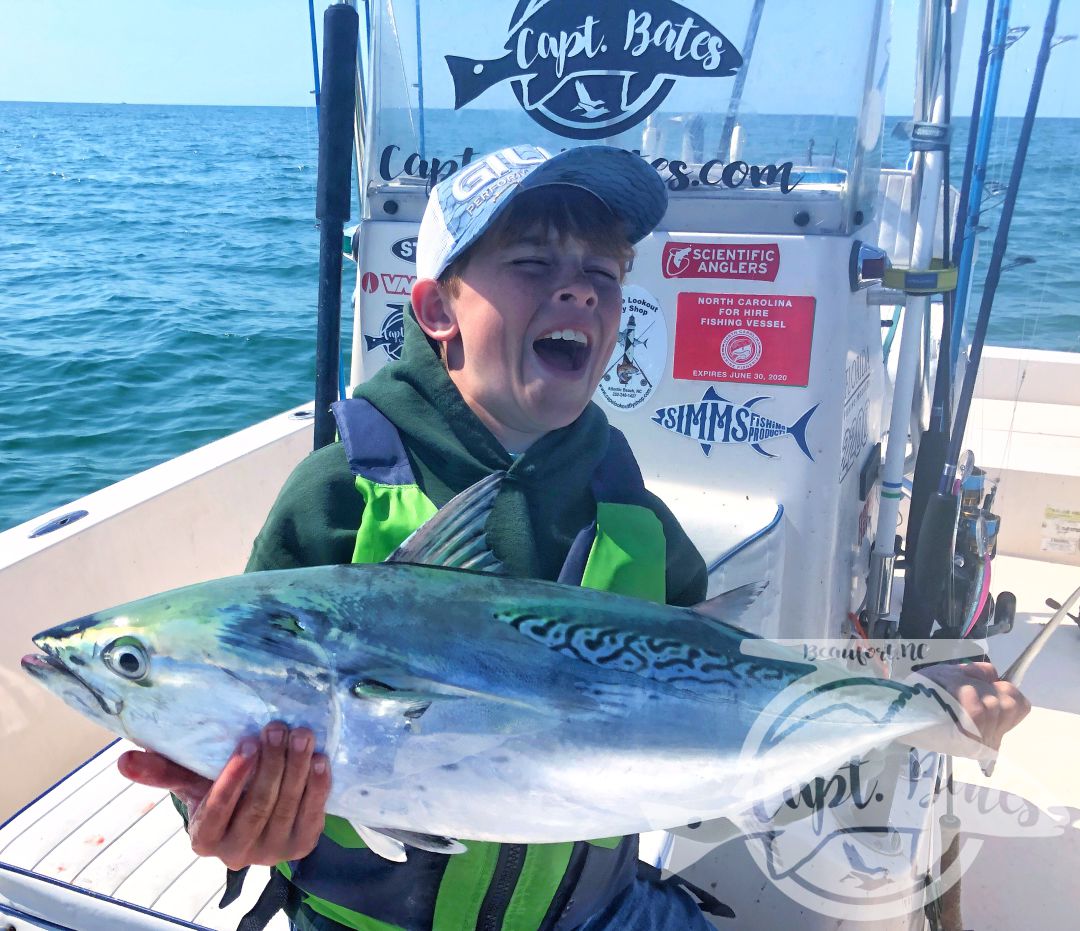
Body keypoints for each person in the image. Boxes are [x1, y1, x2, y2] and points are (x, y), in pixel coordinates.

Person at [118, 143, 1030, 931]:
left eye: (603, 274)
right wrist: (213, 815)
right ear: (437, 310)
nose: (577, 289)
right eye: (530, 262)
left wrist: (922, 702)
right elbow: (236, 707)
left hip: (592, 909)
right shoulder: (341, 494)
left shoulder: (631, 512)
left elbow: (732, 671)